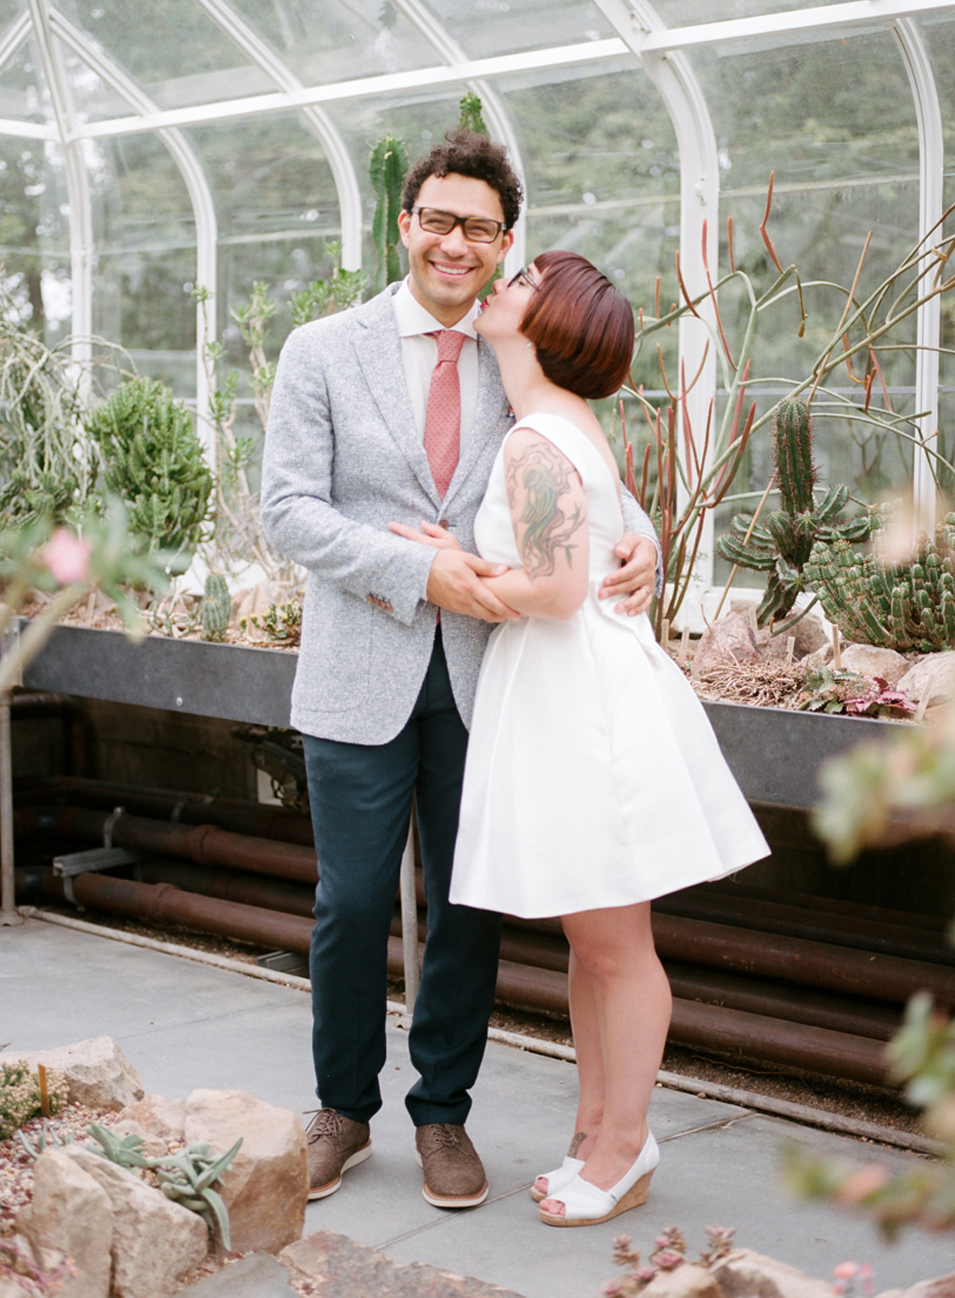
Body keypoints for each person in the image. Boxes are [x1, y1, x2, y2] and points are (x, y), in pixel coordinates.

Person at [259, 128, 661, 1208]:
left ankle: (445, 1116)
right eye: (437, 218)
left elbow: (581, 465)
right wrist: (416, 574)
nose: (455, 242)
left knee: (467, 906)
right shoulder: (321, 351)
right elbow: (288, 511)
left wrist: (648, 536)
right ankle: (342, 1110)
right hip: (357, 670)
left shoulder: (514, 343)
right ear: (405, 222)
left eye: (479, 227)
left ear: (503, 242)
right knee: (348, 903)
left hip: (495, 681)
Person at [392, 251, 767, 1226]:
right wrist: (471, 558)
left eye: (521, 280)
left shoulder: (533, 440)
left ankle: (622, 1142)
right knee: (592, 937)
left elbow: (553, 589)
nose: (500, 283)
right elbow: (574, 558)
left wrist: (459, 577)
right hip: (577, 692)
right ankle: (598, 1124)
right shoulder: (562, 428)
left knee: (615, 946)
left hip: (581, 702)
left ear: (544, 321)